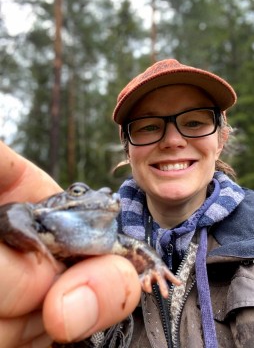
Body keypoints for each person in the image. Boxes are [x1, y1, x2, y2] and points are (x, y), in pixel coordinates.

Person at [108, 58, 254, 348]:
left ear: (220, 139)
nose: (173, 140)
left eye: (194, 122)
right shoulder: (85, 249)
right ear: (128, 148)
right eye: (149, 126)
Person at [0, 141, 141, 347]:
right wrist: (26, 235)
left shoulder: (115, 240)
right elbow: (9, 214)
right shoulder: (36, 213)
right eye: (77, 192)